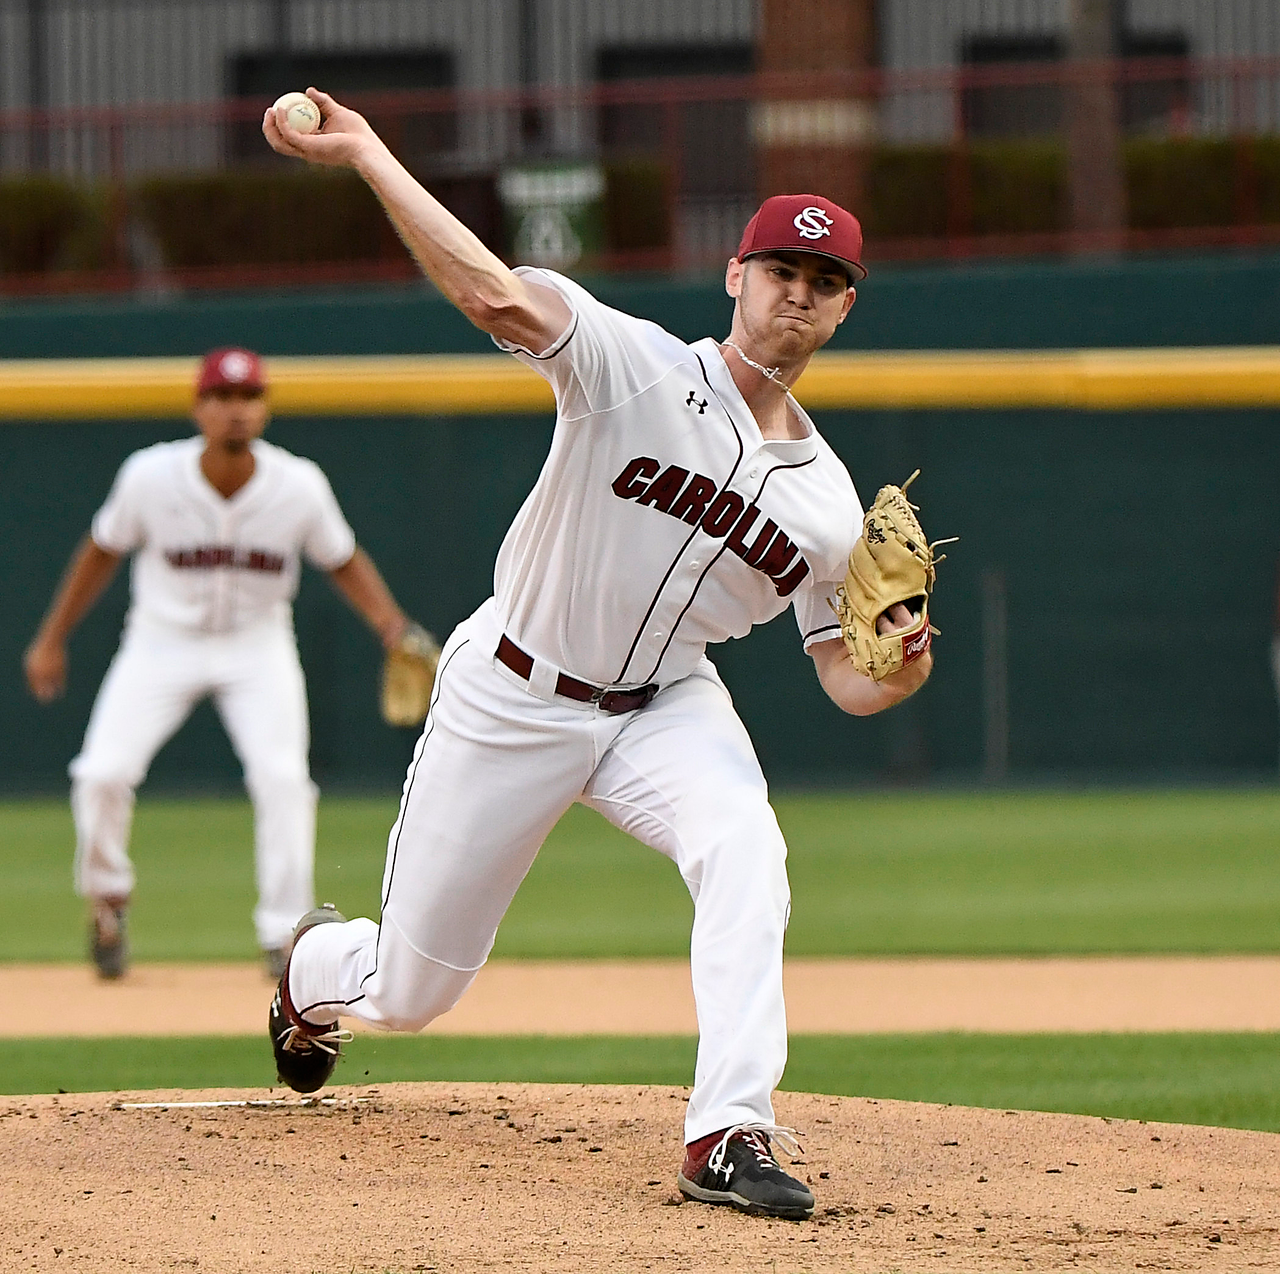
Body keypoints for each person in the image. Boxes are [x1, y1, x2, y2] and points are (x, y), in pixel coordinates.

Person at [261, 89, 934, 1222]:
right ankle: (313, 972)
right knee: (414, 991)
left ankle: (726, 1129)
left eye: (822, 283)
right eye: (780, 272)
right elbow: (488, 288)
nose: (797, 295)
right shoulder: (627, 364)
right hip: (512, 689)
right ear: (736, 277)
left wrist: (899, 665)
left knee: (745, 850)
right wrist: (373, 151)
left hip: (664, 707)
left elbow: (840, 676)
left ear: (843, 308)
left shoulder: (828, 504)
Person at [23, 347, 418, 981]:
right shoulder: (149, 476)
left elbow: (341, 558)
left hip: (257, 648)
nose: (236, 411)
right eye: (222, 398)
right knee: (101, 773)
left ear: (264, 409)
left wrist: (389, 624)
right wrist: (52, 637)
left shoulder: (298, 484)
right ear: (198, 408)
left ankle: (283, 938)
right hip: (160, 642)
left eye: (248, 398)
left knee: (284, 780)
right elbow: (101, 551)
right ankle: (108, 901)